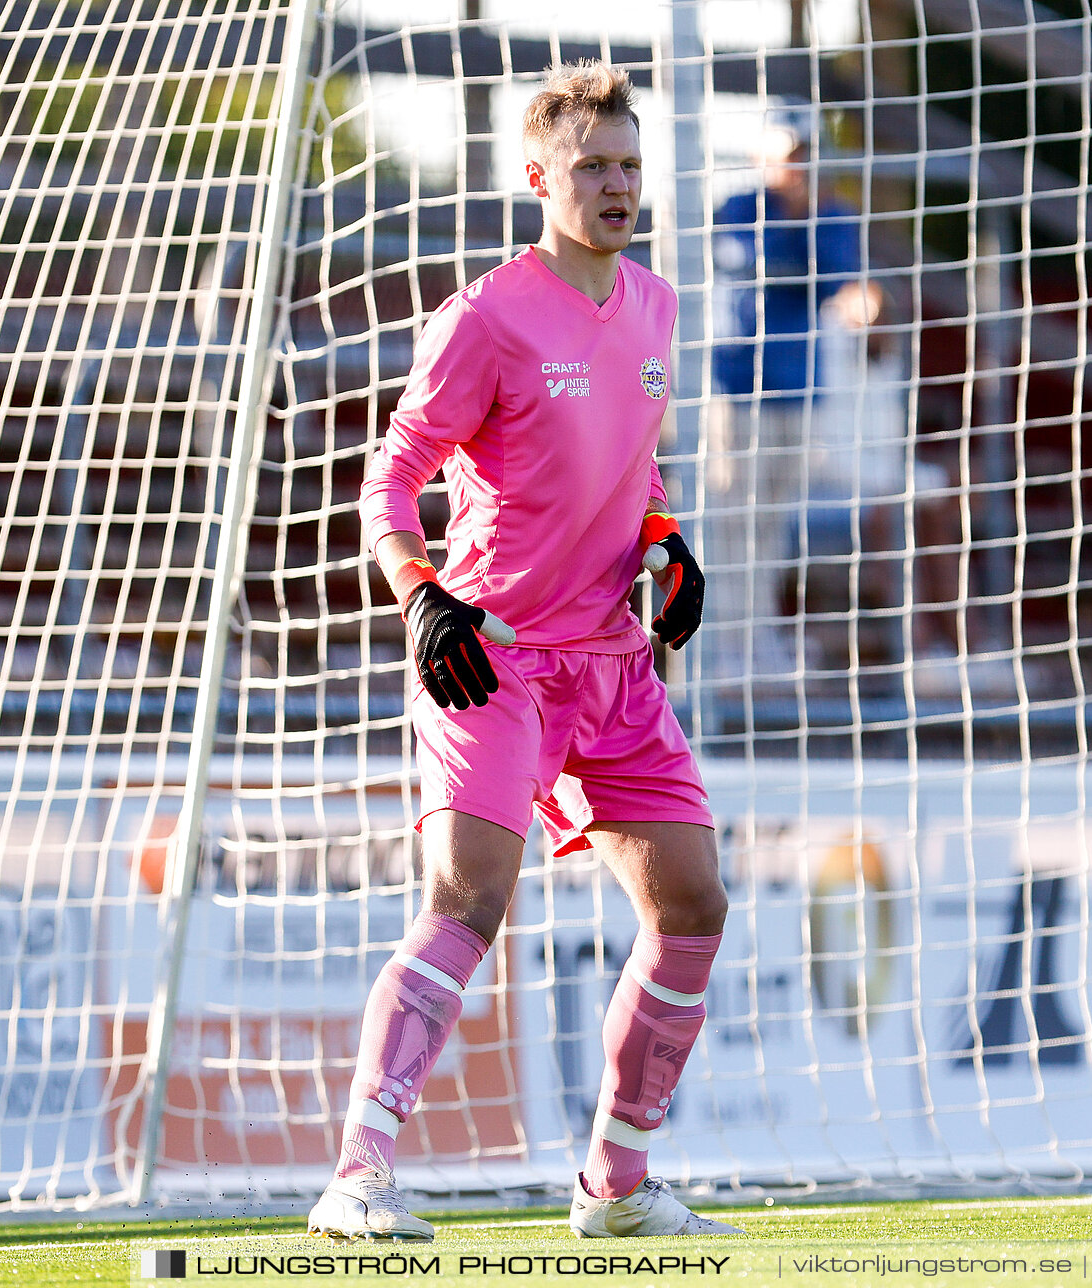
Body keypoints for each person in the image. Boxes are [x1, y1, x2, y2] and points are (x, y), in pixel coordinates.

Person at [307, 61, 738, 1242]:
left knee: (694, 903)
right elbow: (389, 475)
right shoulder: (485, 317)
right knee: (467, 897)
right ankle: (360, 1176)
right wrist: (422, 595)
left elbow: (632, 460)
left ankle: (616, 1186)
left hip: (612, 662)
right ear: (539, 177)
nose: (616, 185)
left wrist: (668, 541)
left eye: (630, 166)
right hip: (489, 657)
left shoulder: (653, 303)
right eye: (593, 166)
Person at [706, 126, 880, 694]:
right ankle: (720, 646)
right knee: (731, 521)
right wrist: (793, 232)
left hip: (800, 388)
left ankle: (758, 642)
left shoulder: (831, 212)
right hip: (738, 389)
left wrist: (806, 224)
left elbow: (837, 279)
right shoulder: (739, 206)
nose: (796, 166)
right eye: (786, 155)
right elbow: (743, 260)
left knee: (774, 524)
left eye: (804, 155)